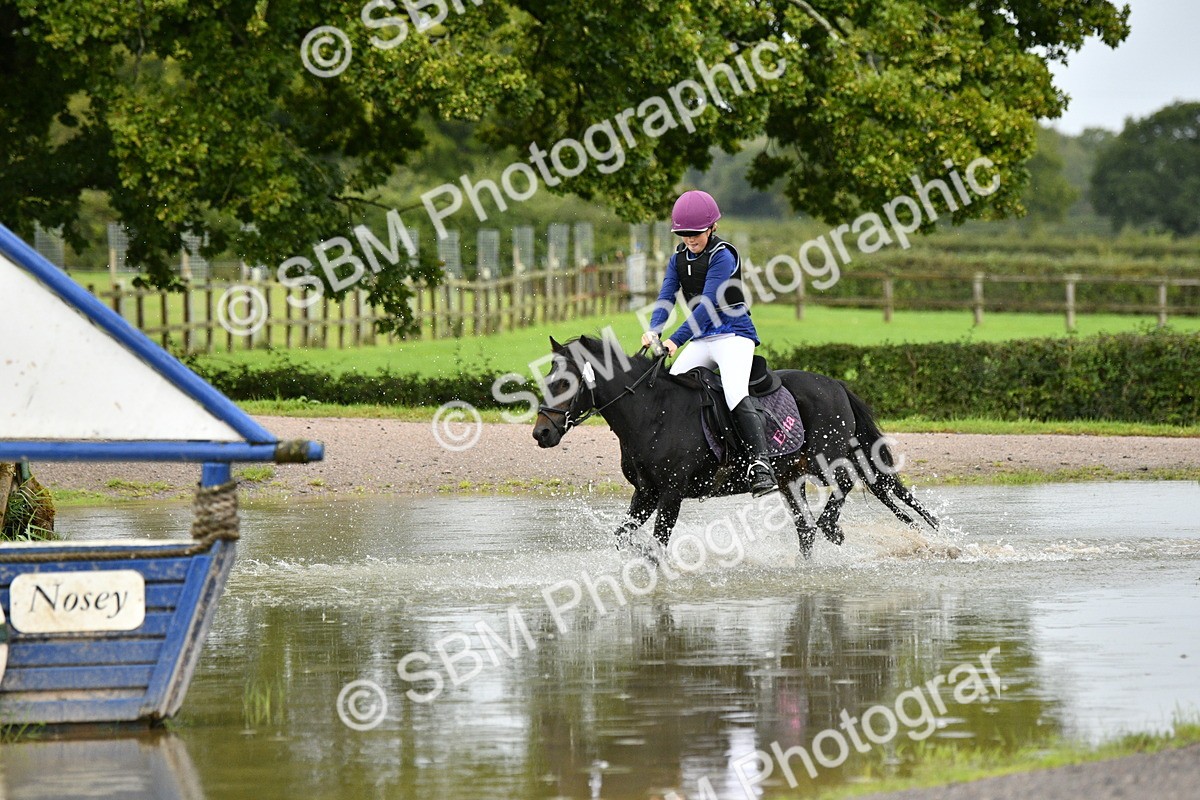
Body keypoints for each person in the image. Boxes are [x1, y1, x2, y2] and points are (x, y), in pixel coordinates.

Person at [640, 189, 778, 497]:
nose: (690, 238)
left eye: (696, 233)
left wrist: (675, 340)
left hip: (733, 334)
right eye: (684, 233)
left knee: (733, 393)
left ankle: (761, 464)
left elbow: (707, 306)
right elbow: (666, 296)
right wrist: (654, 330)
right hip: (703, 338)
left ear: (712, 227)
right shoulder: (678, 259)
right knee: (672, 389)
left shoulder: (723, 256)